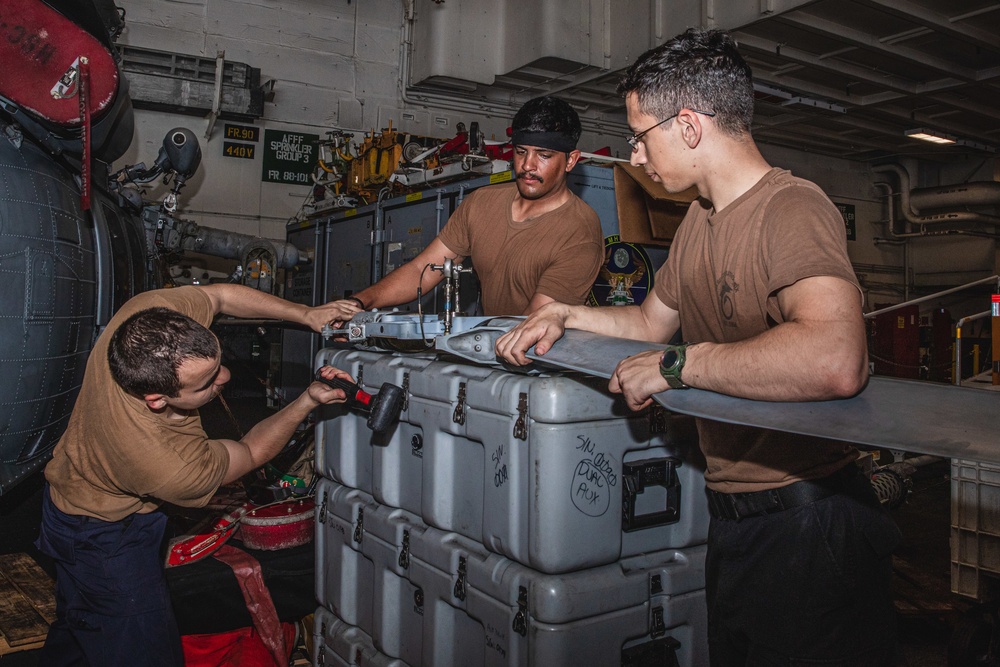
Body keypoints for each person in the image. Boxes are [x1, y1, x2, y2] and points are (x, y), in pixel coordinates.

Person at [496, 29, 900, 666]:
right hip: (736, 518)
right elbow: (650, 325)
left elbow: (834, 356)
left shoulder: (790, 209)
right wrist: (566, 315)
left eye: (639, 134)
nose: (634, 154)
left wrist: (682, 367)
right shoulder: (699, 223)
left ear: (687, 125)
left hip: (809, 524)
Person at [37, 284, 356, 667]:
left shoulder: (141, 324)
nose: (224, 376)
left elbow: (219, 296)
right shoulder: (168, 464)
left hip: (63, 501)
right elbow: (252, 451)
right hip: (107, 541)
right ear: (156, 399)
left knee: (80, 624)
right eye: (206, 383)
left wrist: (306, 314)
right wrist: (307, 400)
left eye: (218, 361)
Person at [325, 95, 604, 322]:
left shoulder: (579, 230)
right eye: (521, 152)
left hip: (539, 371)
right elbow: (423, 269)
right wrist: (359, 302)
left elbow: (536, 323)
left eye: (544, 155)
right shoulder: (482, 203)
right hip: (492, 355)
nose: (528, 165)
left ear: (570, 161)